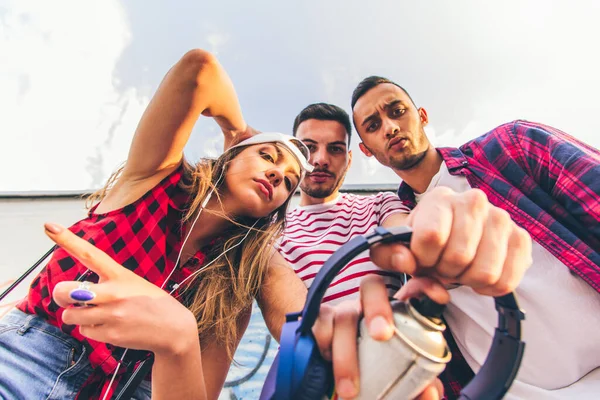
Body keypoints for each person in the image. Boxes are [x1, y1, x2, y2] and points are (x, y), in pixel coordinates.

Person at [0, 49, 312, 400]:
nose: (276, 174)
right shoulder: (156, 180)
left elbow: (200, 394)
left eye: (289, 181)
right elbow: (199, 69)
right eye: (267, 156)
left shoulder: (234, 289)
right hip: (29, 356)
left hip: (134, 391)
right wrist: (237, 129)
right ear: (231, 155)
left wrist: (176, 343)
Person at [319, 76, 600, 399]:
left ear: (422, 116)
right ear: (367, 150)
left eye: (397, 111)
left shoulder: (513, 146)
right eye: (373, 125)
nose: (390, 127)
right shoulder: (395, 233)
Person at [263, 102, 533, 399]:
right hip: (308, 377)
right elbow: (282, 306)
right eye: (308, 148)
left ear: (349, 160)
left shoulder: (380, 203)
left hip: (397, 361)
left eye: (336, 149)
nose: (320, 159)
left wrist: (445, 236)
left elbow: (411, 233)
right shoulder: (268, 232)